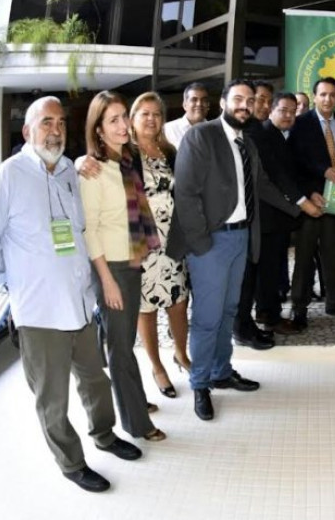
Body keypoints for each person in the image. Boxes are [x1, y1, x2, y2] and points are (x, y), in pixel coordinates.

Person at [0, 96, 142, 493]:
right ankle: (71, 462)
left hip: (79, 304)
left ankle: (104, 434)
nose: (56, 130)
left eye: (61, 123)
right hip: (39, 311)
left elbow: (82, 230)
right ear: (27, 131)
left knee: (95, 381)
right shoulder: (8, 176)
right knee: (53, 398)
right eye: (46, 122)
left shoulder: (70, 170)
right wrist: (16, 282)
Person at [167, 79, 304, 421]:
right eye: (238, 99)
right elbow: (185, 194)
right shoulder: (202, 136)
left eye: (251, 100)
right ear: (223, 102)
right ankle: (200, 384)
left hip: (242, 238)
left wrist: (299, 206)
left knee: (229, 312)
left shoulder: (247, 142)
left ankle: (221, 371)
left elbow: (261, 186)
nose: (245, 105)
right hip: (211, 242)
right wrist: (201, 244)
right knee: (207, 318)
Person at [78, 90, 166, 442]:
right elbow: (90, 230)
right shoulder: (93, 170)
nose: (121, 125)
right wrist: (107, 280)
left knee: (122, 341)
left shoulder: (125, 161)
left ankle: (134, 401)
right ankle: (137, 424)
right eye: (112, 120)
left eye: (123, 117)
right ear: (98, 129)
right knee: (120, 347)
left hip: (131, 262)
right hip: (111, 268)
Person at [234, 92, 322, 347]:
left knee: (270, 271)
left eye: (293, 112)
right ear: (271, 110)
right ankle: (265, 317)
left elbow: (293, 173)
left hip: (279, 218)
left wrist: (309, 193)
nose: (288, 116)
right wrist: (302, 203)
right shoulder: (261, 134)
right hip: (266, 217)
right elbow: (274, 176)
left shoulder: (283, 135)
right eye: (283, 110)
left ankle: (267, 314)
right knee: (262, 273)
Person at [129, 92, 191, 395]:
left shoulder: (170, 151)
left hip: (173, 241)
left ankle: (181, 354)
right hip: (141, 245)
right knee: (147, 308)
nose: (151, 119)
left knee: (179, 303)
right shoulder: (123, 154)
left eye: (156, 114)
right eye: (145, 114)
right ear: (133, 119)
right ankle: (157, 367)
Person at [288, 77, 335, 329]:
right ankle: (299, 307)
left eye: (333, 95)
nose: (328, 99)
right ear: (314, 96)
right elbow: (294, 163)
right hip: (310, 201)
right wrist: (313, 186)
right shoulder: (300, 123)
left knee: (333, 254)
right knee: (304, 257)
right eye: (323, 94)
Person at [164, 82, 210, 148]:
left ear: (208, 105)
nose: (199, 104)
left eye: (203, 100)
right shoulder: (168, 130)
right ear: (185, 105)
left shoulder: (215, 131)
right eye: (194, 100)